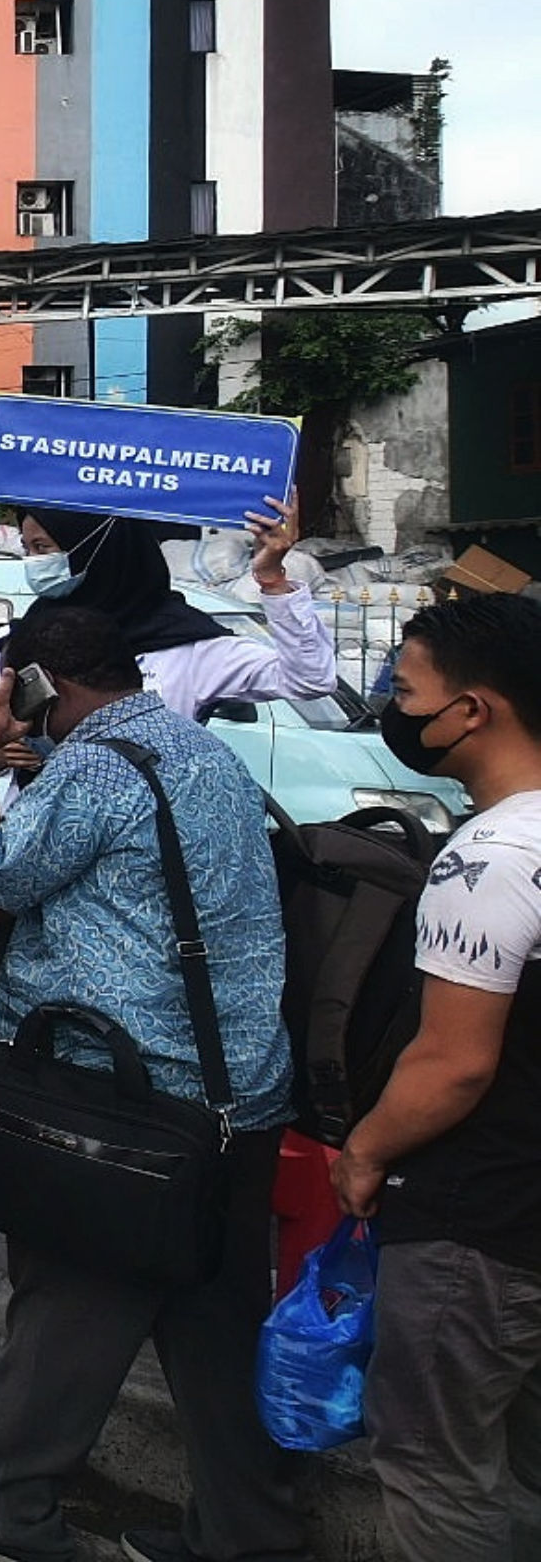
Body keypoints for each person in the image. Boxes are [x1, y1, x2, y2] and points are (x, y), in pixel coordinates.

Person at [0, 600, 301, 1562]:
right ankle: (249, 1536)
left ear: (47, 686)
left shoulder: (95, 768)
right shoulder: (192, 749)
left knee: (66, 1311)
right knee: (214, 1328)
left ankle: (3, 1509)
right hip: (235, 1099)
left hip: (132, 1106)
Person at [331, 593, 541, 1561]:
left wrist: (364, 1150)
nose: (395, 706)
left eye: (407, 689)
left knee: (434, 1465)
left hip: (477, 1219)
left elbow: (453, 1062)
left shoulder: (494, 855)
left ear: (475, 710)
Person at [0, 496, 331, 724]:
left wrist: (271, 578)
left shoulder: (191, 650)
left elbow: (310, 678)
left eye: (44, 546)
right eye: (28, 548)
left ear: (101, 549)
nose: (35, 562)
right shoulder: (9, 645)